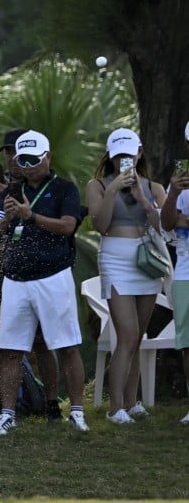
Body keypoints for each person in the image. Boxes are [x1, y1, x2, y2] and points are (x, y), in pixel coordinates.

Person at [0, 130, 88, 435]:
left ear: (48, 157)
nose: (29, 165)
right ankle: (6, 415)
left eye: (34, 159)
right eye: (23, 159)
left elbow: (68, 227)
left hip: (53, 276)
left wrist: (31, 217)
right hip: (15, 279)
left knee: (67, 346)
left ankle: (78, 412)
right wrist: (10, 217)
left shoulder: (64, 189)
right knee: (11, 349)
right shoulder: (12, 191)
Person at [0, 128, 62, 420]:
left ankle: (51, 404)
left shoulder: (50, 188)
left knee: (42, 342)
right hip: (0, 275)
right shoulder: (2, 189)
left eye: (18, 152)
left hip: (40, 273)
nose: (13, 158)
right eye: (9, 153)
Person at [87, 127, 166, 423]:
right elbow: (100, 225)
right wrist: (112, 190)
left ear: (139, 153)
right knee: (127, 334)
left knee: (139, 336)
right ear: (110, 156)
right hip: (115, 257)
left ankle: (132, 403)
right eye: (119, 155)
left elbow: (163, 227)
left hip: (146, 259)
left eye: (129, 154)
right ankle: (115, 408)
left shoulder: (154, 187)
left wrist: (142, 199)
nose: (125, 160)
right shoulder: (97, 185)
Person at [160, 119, 189, 425]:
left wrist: (185, 220)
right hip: (185, 272)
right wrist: (172, 196)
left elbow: (181, 222)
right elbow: (168, 223)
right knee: (188, 343)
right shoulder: (179, 182)